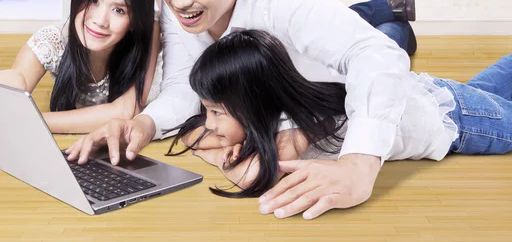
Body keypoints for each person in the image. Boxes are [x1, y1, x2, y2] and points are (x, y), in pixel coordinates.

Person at [65, 0, 418, 219]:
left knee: (388, 39)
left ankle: (393, 21)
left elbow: (377, 55)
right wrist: (143, 125)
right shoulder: (176, 8)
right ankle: (390, 18)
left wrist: (357, 166)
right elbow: (181, 87)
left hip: (339, 97)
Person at [167, 29, 511, 215]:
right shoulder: (275, 107)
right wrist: (223, 144)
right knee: (492, 84)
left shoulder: (298, 128)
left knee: (494, 108)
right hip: (422, 92)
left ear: (254, 105)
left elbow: (256, 178)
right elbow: (191, 133)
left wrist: (223, 158)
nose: (209, 125)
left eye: (216, 112)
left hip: (450, 119)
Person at [0, 0, 160, 133]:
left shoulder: (148, 38)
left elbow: (125, 111)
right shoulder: (53, 40)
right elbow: (19, 75)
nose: (100, 20)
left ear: (135, 21)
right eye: (93, 0)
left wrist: (31, 120)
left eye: (119, 10)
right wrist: (9, 85)